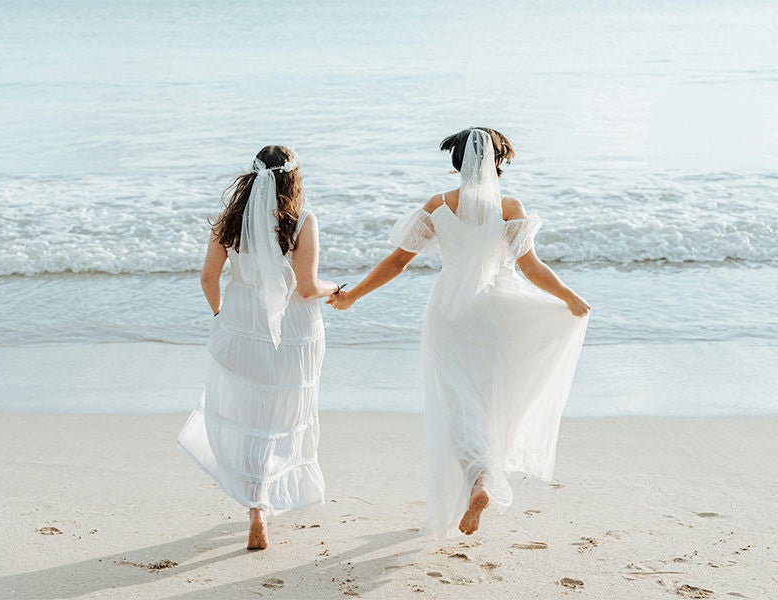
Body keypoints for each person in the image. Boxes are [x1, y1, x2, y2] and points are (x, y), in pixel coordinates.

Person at [328, 127, 589, 536]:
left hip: (449, 313)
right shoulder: (509, 207)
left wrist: (354, 295)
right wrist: (569, 297)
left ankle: (478, 475)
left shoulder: (439, 206)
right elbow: (532, 268)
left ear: (457, 163)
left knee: (457, 404)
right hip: (497, 313)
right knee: (489, 398)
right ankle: (484, 476)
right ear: (498, 163)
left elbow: (397, 262)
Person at [178, 145, 338, 550]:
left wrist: (221, 317)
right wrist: (334, 288)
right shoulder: (301, 221)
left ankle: (256, 509)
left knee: (250, 419)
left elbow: (208, 278)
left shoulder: (229, 222)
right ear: (293, 179)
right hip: (293, 334)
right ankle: (266, 501)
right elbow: (306, 287)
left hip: (241, 331)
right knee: (280, 421)